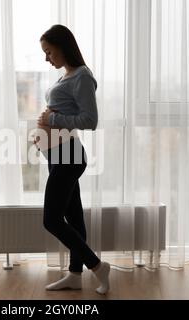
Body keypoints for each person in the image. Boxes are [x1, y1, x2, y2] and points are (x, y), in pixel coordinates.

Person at [35, 24, 110, 295]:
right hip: (57, 155)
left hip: (70, 157)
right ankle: (75, 275)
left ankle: (98, 267)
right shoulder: (66, 75)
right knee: (74, 218)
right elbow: (61, 113)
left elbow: (89, 120)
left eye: (49, 52)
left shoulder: (82, 77)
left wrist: (51, 120)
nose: (47, 58)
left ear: (63, 47)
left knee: (51, 220)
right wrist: (41, 136)